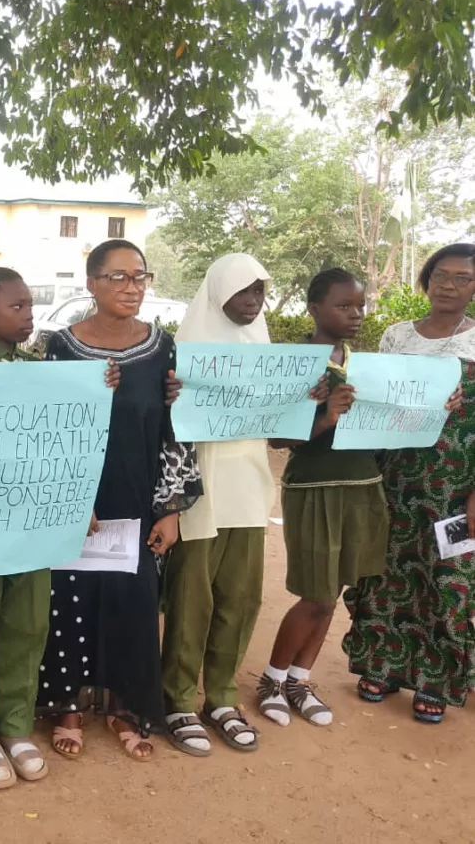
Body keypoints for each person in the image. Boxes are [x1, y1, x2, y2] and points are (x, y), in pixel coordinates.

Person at [0, 267, 123, 787]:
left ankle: (15, 724)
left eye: (29, 306)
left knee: (27, 625)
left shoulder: (40, 365)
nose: (27, 315)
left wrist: (97, 388)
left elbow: (64, 442)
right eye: (15, 307)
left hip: (34, 520)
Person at [32, 241, 200, 762]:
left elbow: (177, 427)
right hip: (79, 502)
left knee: (134, 602)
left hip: (139, 498)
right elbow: (44, 428)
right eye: (117, 277)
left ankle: (126, 707)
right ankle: (68, 708)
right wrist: (66, 499)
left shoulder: (162, 347)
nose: (131, 287)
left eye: (139, 277)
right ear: (91, 283)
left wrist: (170, 508)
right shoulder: (57, 346)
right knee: (70, 601)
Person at [343, 243, 475, 724]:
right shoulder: (398, 335)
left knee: (449, 578)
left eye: (462, 278)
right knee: (385, 570)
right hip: (394, 477)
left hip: (456, 487)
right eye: (441, 274)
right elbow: (377, 402)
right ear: (427, 278)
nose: (449, 284)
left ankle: (436, 680)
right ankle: (382, 666)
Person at [258, 268, 388, 728]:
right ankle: (271, 680)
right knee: (313, 592)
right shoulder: (297, 363)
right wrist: (326, 417)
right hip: (313, 487)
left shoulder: (360, 360)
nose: (355, 314)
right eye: (343, 306)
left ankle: (299, 679)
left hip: (361, 484)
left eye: (359, 305)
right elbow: (277, 439)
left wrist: (432, 407)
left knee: (332, 592)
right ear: (315, 309)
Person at [161, 253, 276, 756]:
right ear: (216, 293)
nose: (252, 302)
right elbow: (166, 430)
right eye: (243, 291)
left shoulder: (266, 349)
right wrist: (170, 396)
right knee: (192, 603)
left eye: (260, 292)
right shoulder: (186, 350)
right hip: (199, 494)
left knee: (240, 601)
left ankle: (222, 697)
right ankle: (178, 700)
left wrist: (304, 398)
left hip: (250, 493)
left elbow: (279, 427)